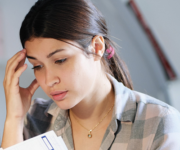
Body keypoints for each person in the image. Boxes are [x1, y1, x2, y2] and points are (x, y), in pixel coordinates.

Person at [1, 0, 180, 149]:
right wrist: (14, 118)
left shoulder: (158, 123)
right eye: (37, 66)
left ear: (97, 47)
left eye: (60, 60)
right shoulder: (35, 119)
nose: (48, 80)